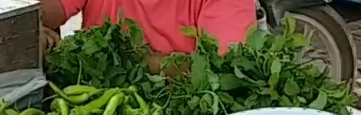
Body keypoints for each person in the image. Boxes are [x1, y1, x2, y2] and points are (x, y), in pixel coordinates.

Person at [41, 0, 257, 68]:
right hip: (85, 103)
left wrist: (110, 57)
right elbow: (47, 9)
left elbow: (224, 68)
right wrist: (27, 20)